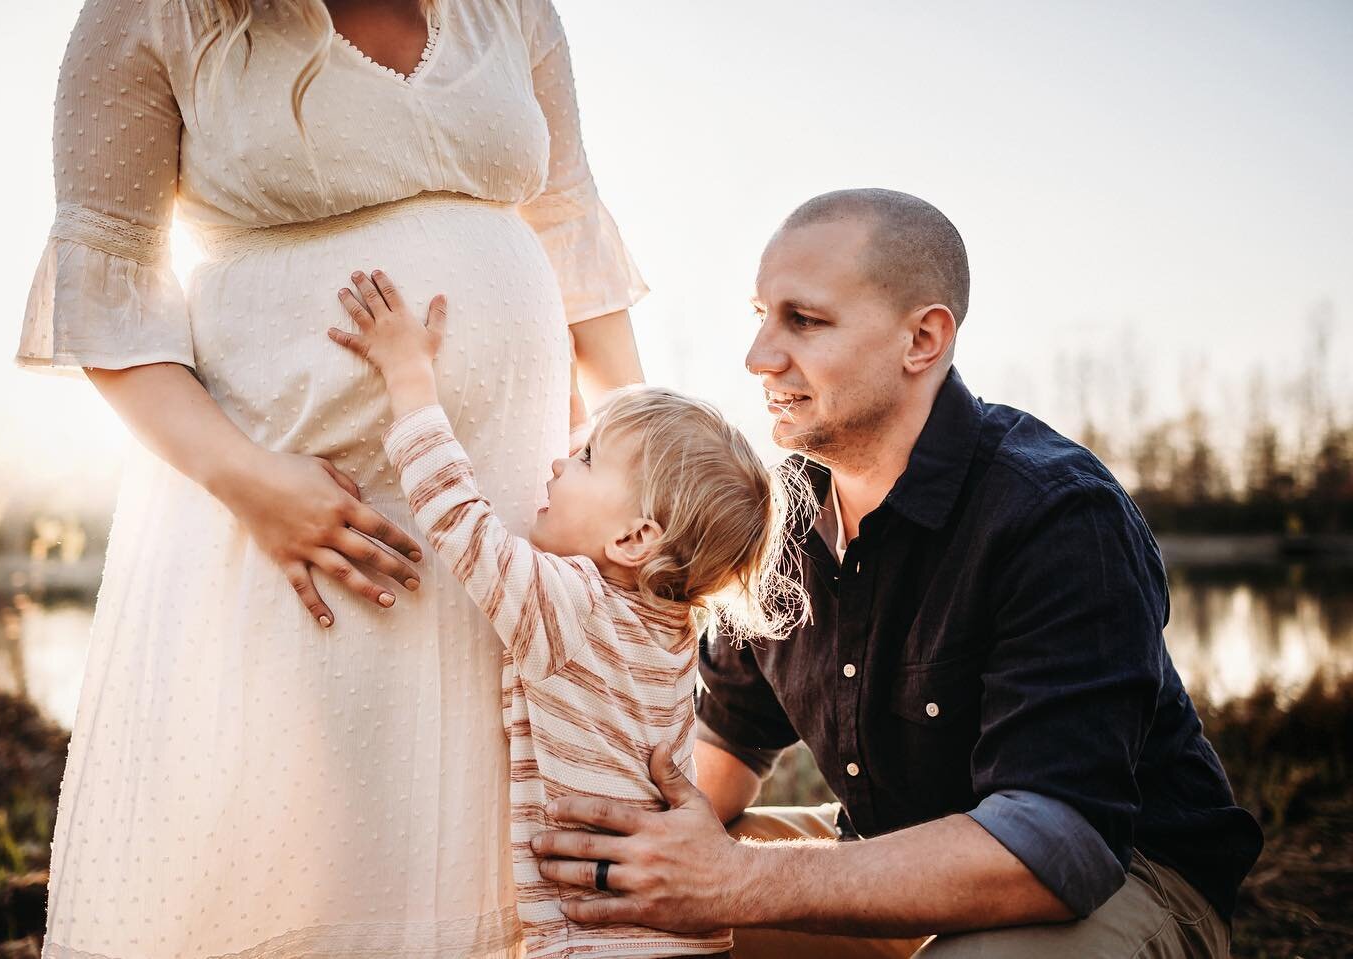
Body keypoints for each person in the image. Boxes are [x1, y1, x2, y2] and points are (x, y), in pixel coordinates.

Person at [15, 1, 644, 955]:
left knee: (492, 814)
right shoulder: (152, 15)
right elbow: (108, 298)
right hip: (291, 511)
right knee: (316, 836)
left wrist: (647, 467)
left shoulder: (510, 9)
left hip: (512, 514)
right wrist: (256, 487)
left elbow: (574, 247)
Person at [530, 189, 1265, 958]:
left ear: (923, 337)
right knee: (622, 903)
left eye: (804, 321)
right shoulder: (778, 522)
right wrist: (633, 855)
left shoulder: (1055, 516)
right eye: (761, 316)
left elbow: (1059, 846)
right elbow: (721, 750)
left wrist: (735, 880)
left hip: (1127, 876)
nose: (759, 358)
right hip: (892, 859)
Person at [324, 266, 808, 957]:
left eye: (584, 458)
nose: (556, 464)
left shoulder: (572, 605)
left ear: (636, 538)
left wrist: (409, 376)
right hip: (685, 939)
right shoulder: (665, 625)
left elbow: (460, 518)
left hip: (604, 946)